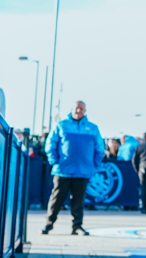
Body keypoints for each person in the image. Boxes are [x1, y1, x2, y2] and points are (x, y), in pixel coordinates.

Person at [42, 101, 103, 236]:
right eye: (76, 108)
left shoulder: (93, 128)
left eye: (81, 109)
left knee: (79, 201)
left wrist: (93, 164)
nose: (79, 111)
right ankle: (48, 223)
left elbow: (100, 148)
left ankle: (77, 226)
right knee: (56, 199)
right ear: (72, 109)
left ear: (85, 111)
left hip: (83, 172)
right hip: (63, 171)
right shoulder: (61, 125)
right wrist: (54, 161)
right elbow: (50, 144)